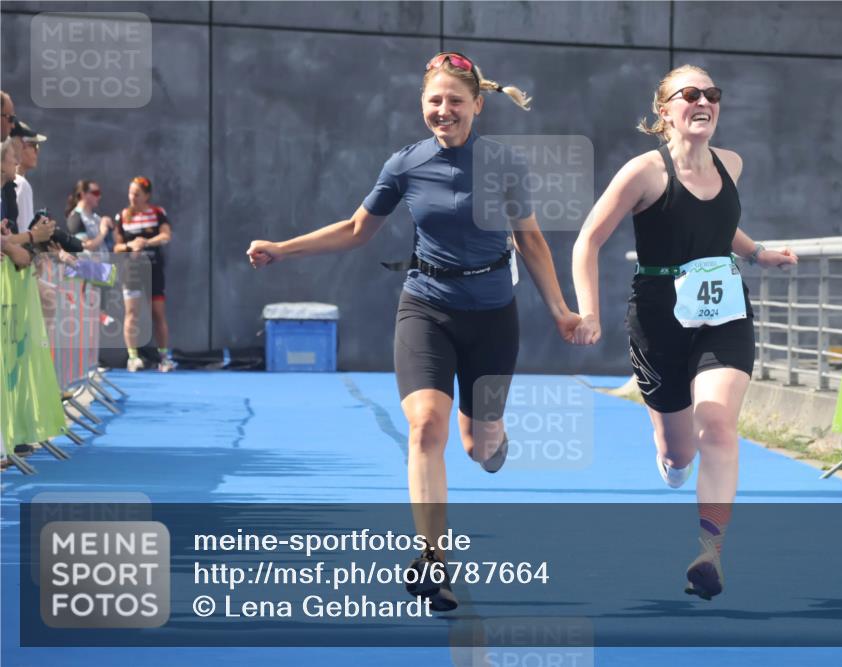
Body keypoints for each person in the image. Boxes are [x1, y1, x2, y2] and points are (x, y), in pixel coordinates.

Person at [247, 52, 580, 611]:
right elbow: (356, 229)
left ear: (477, 103)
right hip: (426, 307)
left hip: (495, 315)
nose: (443, 110)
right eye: (434, 101)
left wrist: (563, 312)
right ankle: (433, 559)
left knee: (481, 444)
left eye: (455, 100)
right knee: (427, 426)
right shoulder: (405, 164)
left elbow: (532, 242)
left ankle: (494, 437)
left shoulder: (504, 164)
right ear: (422, 106)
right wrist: (284, 249)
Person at [572, 64, 797, 600]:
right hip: (658, 318)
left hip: (724, 313)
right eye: (689, 94)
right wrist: (589, 313)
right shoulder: (644, 172)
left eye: (712, 94)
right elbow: (587, 241)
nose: (703, 102)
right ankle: (671, 460)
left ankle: (709, 552)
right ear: (664, 110)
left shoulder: (732, 164)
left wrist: (757, 253)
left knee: (716, 423)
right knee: (679, 454)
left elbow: (718, 224)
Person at [112, 175, 176, 372]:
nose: (132, 197)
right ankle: (133, 357)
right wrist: (130, 246)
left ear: (146, 196)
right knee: (132, 313)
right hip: (132, 271)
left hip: (154, 269)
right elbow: (117, 247)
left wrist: (146, 242)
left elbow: (166, 235)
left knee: (157, 313)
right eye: (131, 193)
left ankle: (164, 358)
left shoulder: (157, 213)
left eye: (137, 194)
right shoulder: (122, 216)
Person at [66, 180, 114, 257]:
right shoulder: (75, 217)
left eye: (99, 193)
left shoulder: (96, 217)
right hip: (89, 267)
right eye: (95, 193)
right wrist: (103, 232)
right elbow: (85, 246)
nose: (99, 197)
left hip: (103, 266)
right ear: (83, 195)